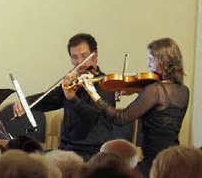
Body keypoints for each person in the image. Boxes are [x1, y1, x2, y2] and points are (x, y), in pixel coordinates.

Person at [13, 33, 133, 160]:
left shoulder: (106, 84)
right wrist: (25, 103)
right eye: (74, 57)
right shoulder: (73, 83)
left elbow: (92, 117)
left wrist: (72, 98)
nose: (79, 62)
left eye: (84, 56)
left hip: (93, 153)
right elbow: (50, 99)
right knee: (27, 159)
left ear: (95, 56)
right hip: (66, 149)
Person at [80, 37, 189, 177]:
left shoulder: (154, 90)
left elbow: (120, 118)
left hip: (154, 162)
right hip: (174, 158)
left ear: (163, 61)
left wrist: (94, 94)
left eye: (151, 60)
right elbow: (162, 109)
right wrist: (136, 90)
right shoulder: (183, 91)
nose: (148, 65)